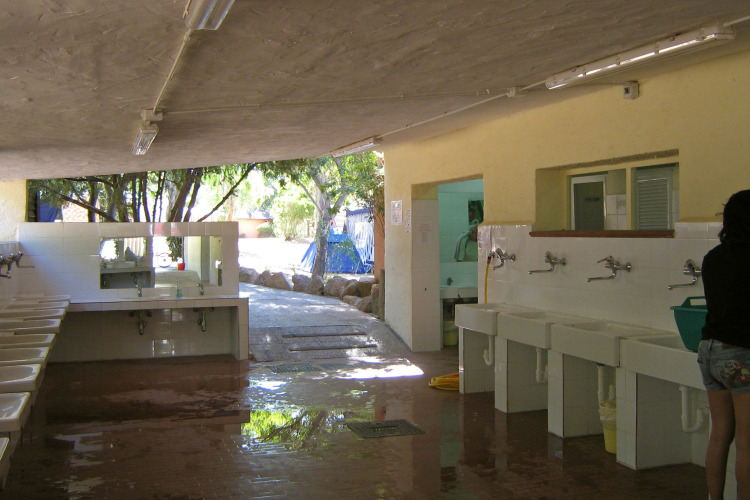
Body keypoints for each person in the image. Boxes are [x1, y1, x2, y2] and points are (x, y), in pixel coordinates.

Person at [698, 189, 750, 500]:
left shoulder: (713, 257)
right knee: (747, 441)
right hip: (741, 353)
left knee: (720, 434)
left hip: (710, 351)